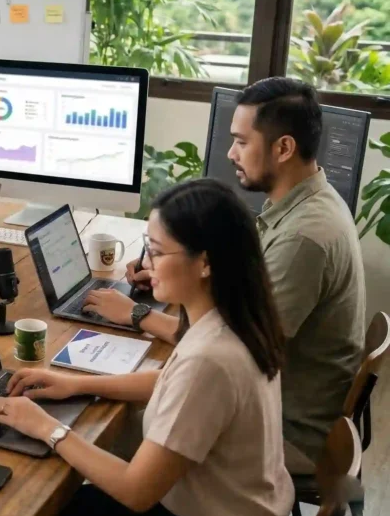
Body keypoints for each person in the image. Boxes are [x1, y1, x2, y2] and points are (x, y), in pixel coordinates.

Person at [0, 179, 292, 516]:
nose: (146, 264)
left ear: (205, 263)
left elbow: (136, 491)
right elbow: (170, 381)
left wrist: (46, 428)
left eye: (158, 253)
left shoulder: (210, 359)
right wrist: (78, 384)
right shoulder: (234, 318)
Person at [87, 77, 366, 471]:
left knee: (114, 418)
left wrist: (138, 315)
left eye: (241, 141)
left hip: (288, 430)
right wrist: (178, 272)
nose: (231, 153)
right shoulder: (305, 204)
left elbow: (238, 344)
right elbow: (247, 307)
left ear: (283, 147)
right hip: (285, 397)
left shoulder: (305, 237)